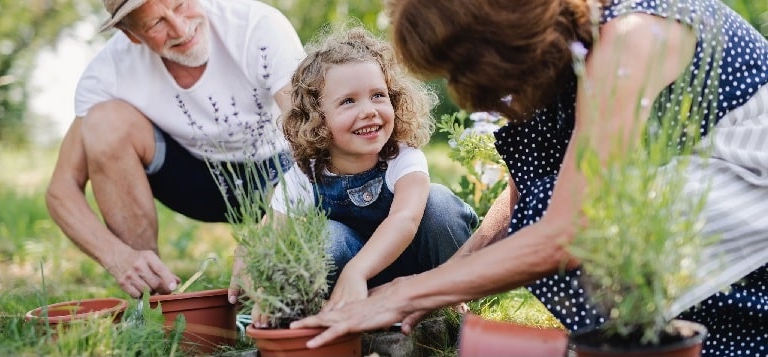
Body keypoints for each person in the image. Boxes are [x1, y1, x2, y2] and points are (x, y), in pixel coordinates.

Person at [290, 0, 768, 355]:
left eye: (459, 65)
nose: (461, 87)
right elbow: (523, 207)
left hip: (750, 206)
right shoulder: (566, 57)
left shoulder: (629, 38)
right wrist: (439, 283)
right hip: (697, 216)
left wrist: (402, 293)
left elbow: (565, 231)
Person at [45, 0, 305, 299]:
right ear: (130, 34)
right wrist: (118, 257)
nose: (181, 29)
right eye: (156, 23)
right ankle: (153, 299)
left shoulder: (258, 25)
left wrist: (272, 227)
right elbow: (61, 191)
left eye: (181, 4)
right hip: (194, 181)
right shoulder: (107, 73)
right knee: (104, 123)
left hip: (279, 171)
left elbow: (312, 140)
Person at [237, 26, 479, 326]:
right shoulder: (305, 174)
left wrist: (358, 271)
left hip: (417, 272)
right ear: (317, 118)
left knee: (441, 204)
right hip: (348, 286)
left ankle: (451, 299)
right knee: (323, 237)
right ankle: (338, 311)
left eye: (378, 95)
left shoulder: (403, 158)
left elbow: (404, 219)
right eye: (348, 101)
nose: (368, 111)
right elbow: (270, 235)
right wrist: (265, 288)